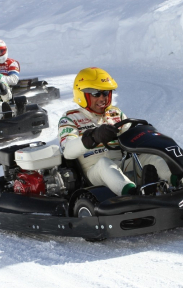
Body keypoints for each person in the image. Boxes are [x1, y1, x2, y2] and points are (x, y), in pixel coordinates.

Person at [58, 67, 173, 196]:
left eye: (106, 93)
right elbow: (67, 151)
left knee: (152, 158)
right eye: (96, 93)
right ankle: (132, 194)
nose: (103, 98)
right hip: (94, 172)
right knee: (104, 163)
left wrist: (143, 133)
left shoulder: (115, 113)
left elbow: (132, 136)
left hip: (122, 164)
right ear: (82, 94)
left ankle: (181, 180)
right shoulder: (70, 118)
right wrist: (94, 137)